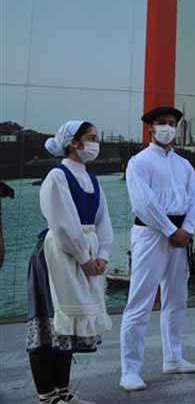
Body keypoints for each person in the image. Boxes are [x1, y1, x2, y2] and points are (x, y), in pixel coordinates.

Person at [27, 120, 113, 404]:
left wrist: (102, 256)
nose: (95, 143)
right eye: (90, 138)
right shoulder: (57, 176)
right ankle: (48, 396)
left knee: (69, 328)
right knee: (50, 325)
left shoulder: (91, 179)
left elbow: (103, 222)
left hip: (83, 255)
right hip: (57, 256)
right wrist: (85, 257)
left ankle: (63, 392)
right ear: (73, 143)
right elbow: (62, 224)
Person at [120, 106, 195, 392]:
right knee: (140, 300)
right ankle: (130, 369)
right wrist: (171, 230)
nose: (167, 127)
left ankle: (174, 357)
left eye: (172, 123)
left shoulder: (184, 165)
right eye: (161, 123)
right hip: (151, 233)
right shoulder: (139, 162)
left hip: (181, 236)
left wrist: (188, 230)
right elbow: (144, 202)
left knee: (177, 298)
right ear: (150, 128)